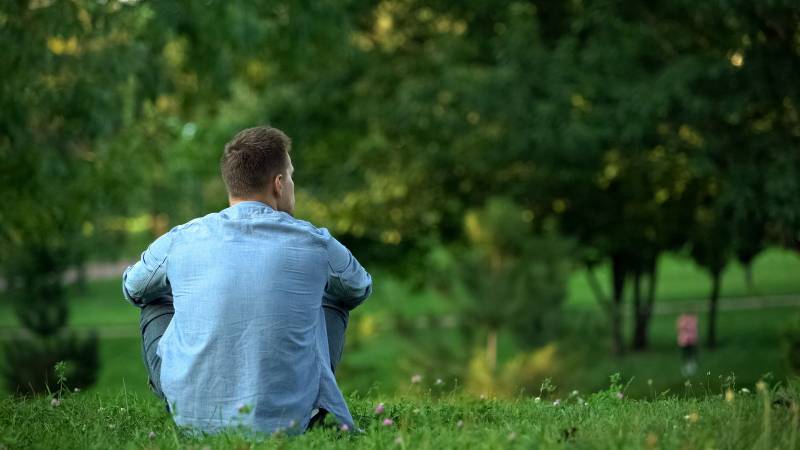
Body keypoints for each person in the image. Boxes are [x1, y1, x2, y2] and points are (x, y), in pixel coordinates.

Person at [122, 126, 372, 435]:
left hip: (191, 422)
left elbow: (133, 287)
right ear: (278, 184)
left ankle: (193, 401)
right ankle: (309, 404)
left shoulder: (182, 238)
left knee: (153, 298)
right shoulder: (315, 242)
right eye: (291, 176)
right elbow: (359, 288)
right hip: (289, 423)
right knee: (334, 295)